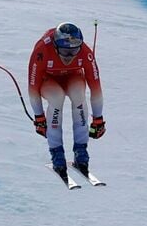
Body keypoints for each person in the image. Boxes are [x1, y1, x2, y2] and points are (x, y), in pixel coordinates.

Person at [27, 22, 105, 179]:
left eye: (74, 51)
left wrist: (98, 118)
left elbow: (96, 88)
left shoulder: (85, 52)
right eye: (64, 51)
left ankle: (81, 150)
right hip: (48, 80)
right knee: (57, 98)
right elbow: (33, 88)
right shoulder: (42, 50)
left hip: (73, 77)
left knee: (79, 96)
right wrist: (39, 117)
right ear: (55, 46)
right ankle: (57, 152)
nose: (69, 56)